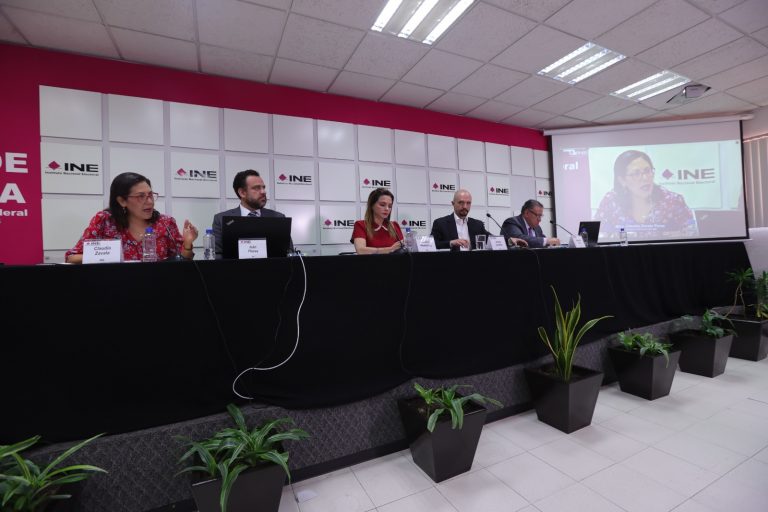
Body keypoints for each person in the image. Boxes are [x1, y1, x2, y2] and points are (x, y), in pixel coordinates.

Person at [65, 172, 198, 263]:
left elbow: (182, 261)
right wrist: (106, 255)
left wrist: (187, 243)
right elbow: (71, 257)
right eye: (141, 196)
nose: (150, 201)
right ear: (122, 201)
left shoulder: (165, 222)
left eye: (151, 195)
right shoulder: (105, 220)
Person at [594, 150, 696, 237]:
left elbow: (693, 232)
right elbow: (594, 234)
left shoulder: (672, 200)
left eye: (647, 171)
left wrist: (679, 235)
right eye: (636, 173)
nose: (645, 178)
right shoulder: (612, 200)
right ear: (622, 180)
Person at [212, 169, 286, 256]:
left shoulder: (278, 218)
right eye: (257, 188)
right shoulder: (221, 219)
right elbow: (217, 254)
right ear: (242, 192)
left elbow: (288, 253)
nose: (263, 192)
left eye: (263, 187)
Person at [431, 189, 527, 250]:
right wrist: (451, 243)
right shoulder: (440, 223)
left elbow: (491, 239)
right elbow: (432, 244)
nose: (465, 206)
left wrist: (510, 241)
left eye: (468, 203)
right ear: (453, 203)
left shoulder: (477, 224)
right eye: (461, 202)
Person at [352, 188, 404, 255]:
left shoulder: (394, 225)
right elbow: (361, 250)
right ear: (372, 205)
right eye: (382, 205)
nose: (387, 209)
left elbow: (402, 249)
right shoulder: (361, 225)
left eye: (390, 206)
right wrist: (390, 249)